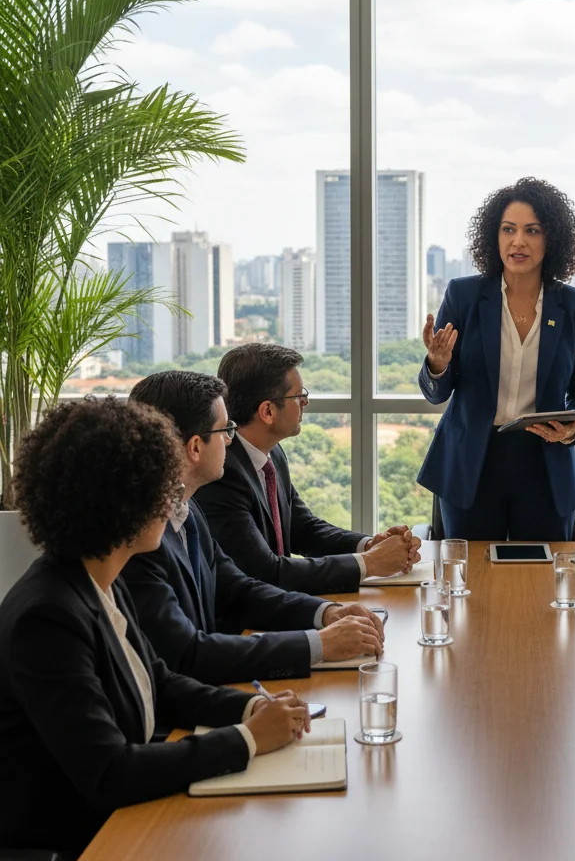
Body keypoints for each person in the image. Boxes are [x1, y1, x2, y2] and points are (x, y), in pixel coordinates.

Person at [0, 398, 311, 856]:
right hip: (85, 841)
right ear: (119, 504)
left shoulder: (97, 578)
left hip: (130, 816)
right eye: (158, 487)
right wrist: (247, 739)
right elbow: (110, 771)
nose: (170, 501)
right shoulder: (46, 618)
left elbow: (161, 684)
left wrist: (251, 710)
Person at [122, 372, 384, 685]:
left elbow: (237, 590)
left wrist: (325, 612)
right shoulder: (139, 540)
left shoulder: (186, 510)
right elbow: (187, 655)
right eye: (225, 429)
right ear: (195, 447)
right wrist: (320, 644)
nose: (231, 440)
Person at [416, 176, 575, 540]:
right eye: (508, 229)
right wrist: (437, 364)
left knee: (543, 585)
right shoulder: (464, 295)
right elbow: (437, 393)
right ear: (493, 236)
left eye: (532, 230)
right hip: (472, 464)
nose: (518, 241)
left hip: (544, 464)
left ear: (553, 239)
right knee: (469, 585)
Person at [195, 343, 421, 594]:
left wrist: (369, 545)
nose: (305, 402)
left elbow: (303, 529)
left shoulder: (272, 453)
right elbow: (266, 573)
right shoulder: (222, 473)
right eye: (298, 396)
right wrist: (371, 563)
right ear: (267, 411)